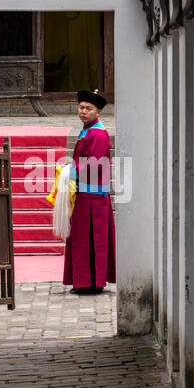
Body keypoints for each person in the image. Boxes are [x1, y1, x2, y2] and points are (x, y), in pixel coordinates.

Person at [63, 89, 116, 294]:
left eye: (89, 108)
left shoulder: (97, 134)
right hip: (84, 194)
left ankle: (90, 283)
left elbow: (92, 165)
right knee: (82, 238)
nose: (83, 111)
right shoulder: (88, 129)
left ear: (98, 111)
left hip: (93, 196)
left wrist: (70, 173)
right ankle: (84, 281)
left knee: (91, 239)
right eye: (81, 107)